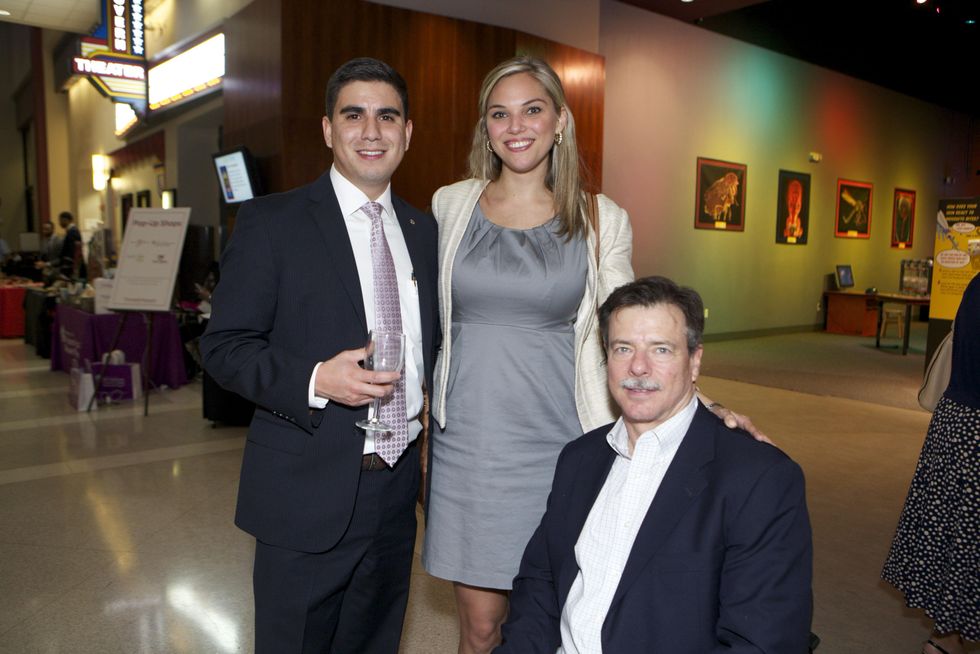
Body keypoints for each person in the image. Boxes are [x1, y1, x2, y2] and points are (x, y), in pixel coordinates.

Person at [422, 56, 765, 654]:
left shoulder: (601, 219)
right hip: (469, 449)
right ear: (485, 127)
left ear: (560, 120)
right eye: (499, 114)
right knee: (479, 629)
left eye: (532, 109)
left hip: (558, 445)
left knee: (563, 619)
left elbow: (629, 329)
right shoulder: (450, 205)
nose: (516, 126)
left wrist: (703, 405)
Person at [200, 57, 439, 654]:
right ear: (328, 129)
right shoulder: (271, 222)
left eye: (387, 116)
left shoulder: (425, 232)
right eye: (353, 115)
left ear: (408, 132)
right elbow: (224, 348)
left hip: (395, 493)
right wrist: (314, 379)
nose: (371, 131)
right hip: (303, 492)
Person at [496, 276, 813, 653]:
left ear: (694, 361)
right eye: (623, 348)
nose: (638, 367)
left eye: (661, 349)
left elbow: (763, 641)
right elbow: (540, 586)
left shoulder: (759, 479)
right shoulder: (579, 458)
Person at [882, 273, 980, 654]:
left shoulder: (976, 285)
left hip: (956, 426)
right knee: (967, 544)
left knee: (957, 542)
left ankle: (943, 642)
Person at [57, 211, 82, 278]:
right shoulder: (71, 231)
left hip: (69, 267)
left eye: (60, 220)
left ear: (66, 220)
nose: (59, 223)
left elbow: (72, 252)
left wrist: (66, 267)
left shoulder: (72, 232)